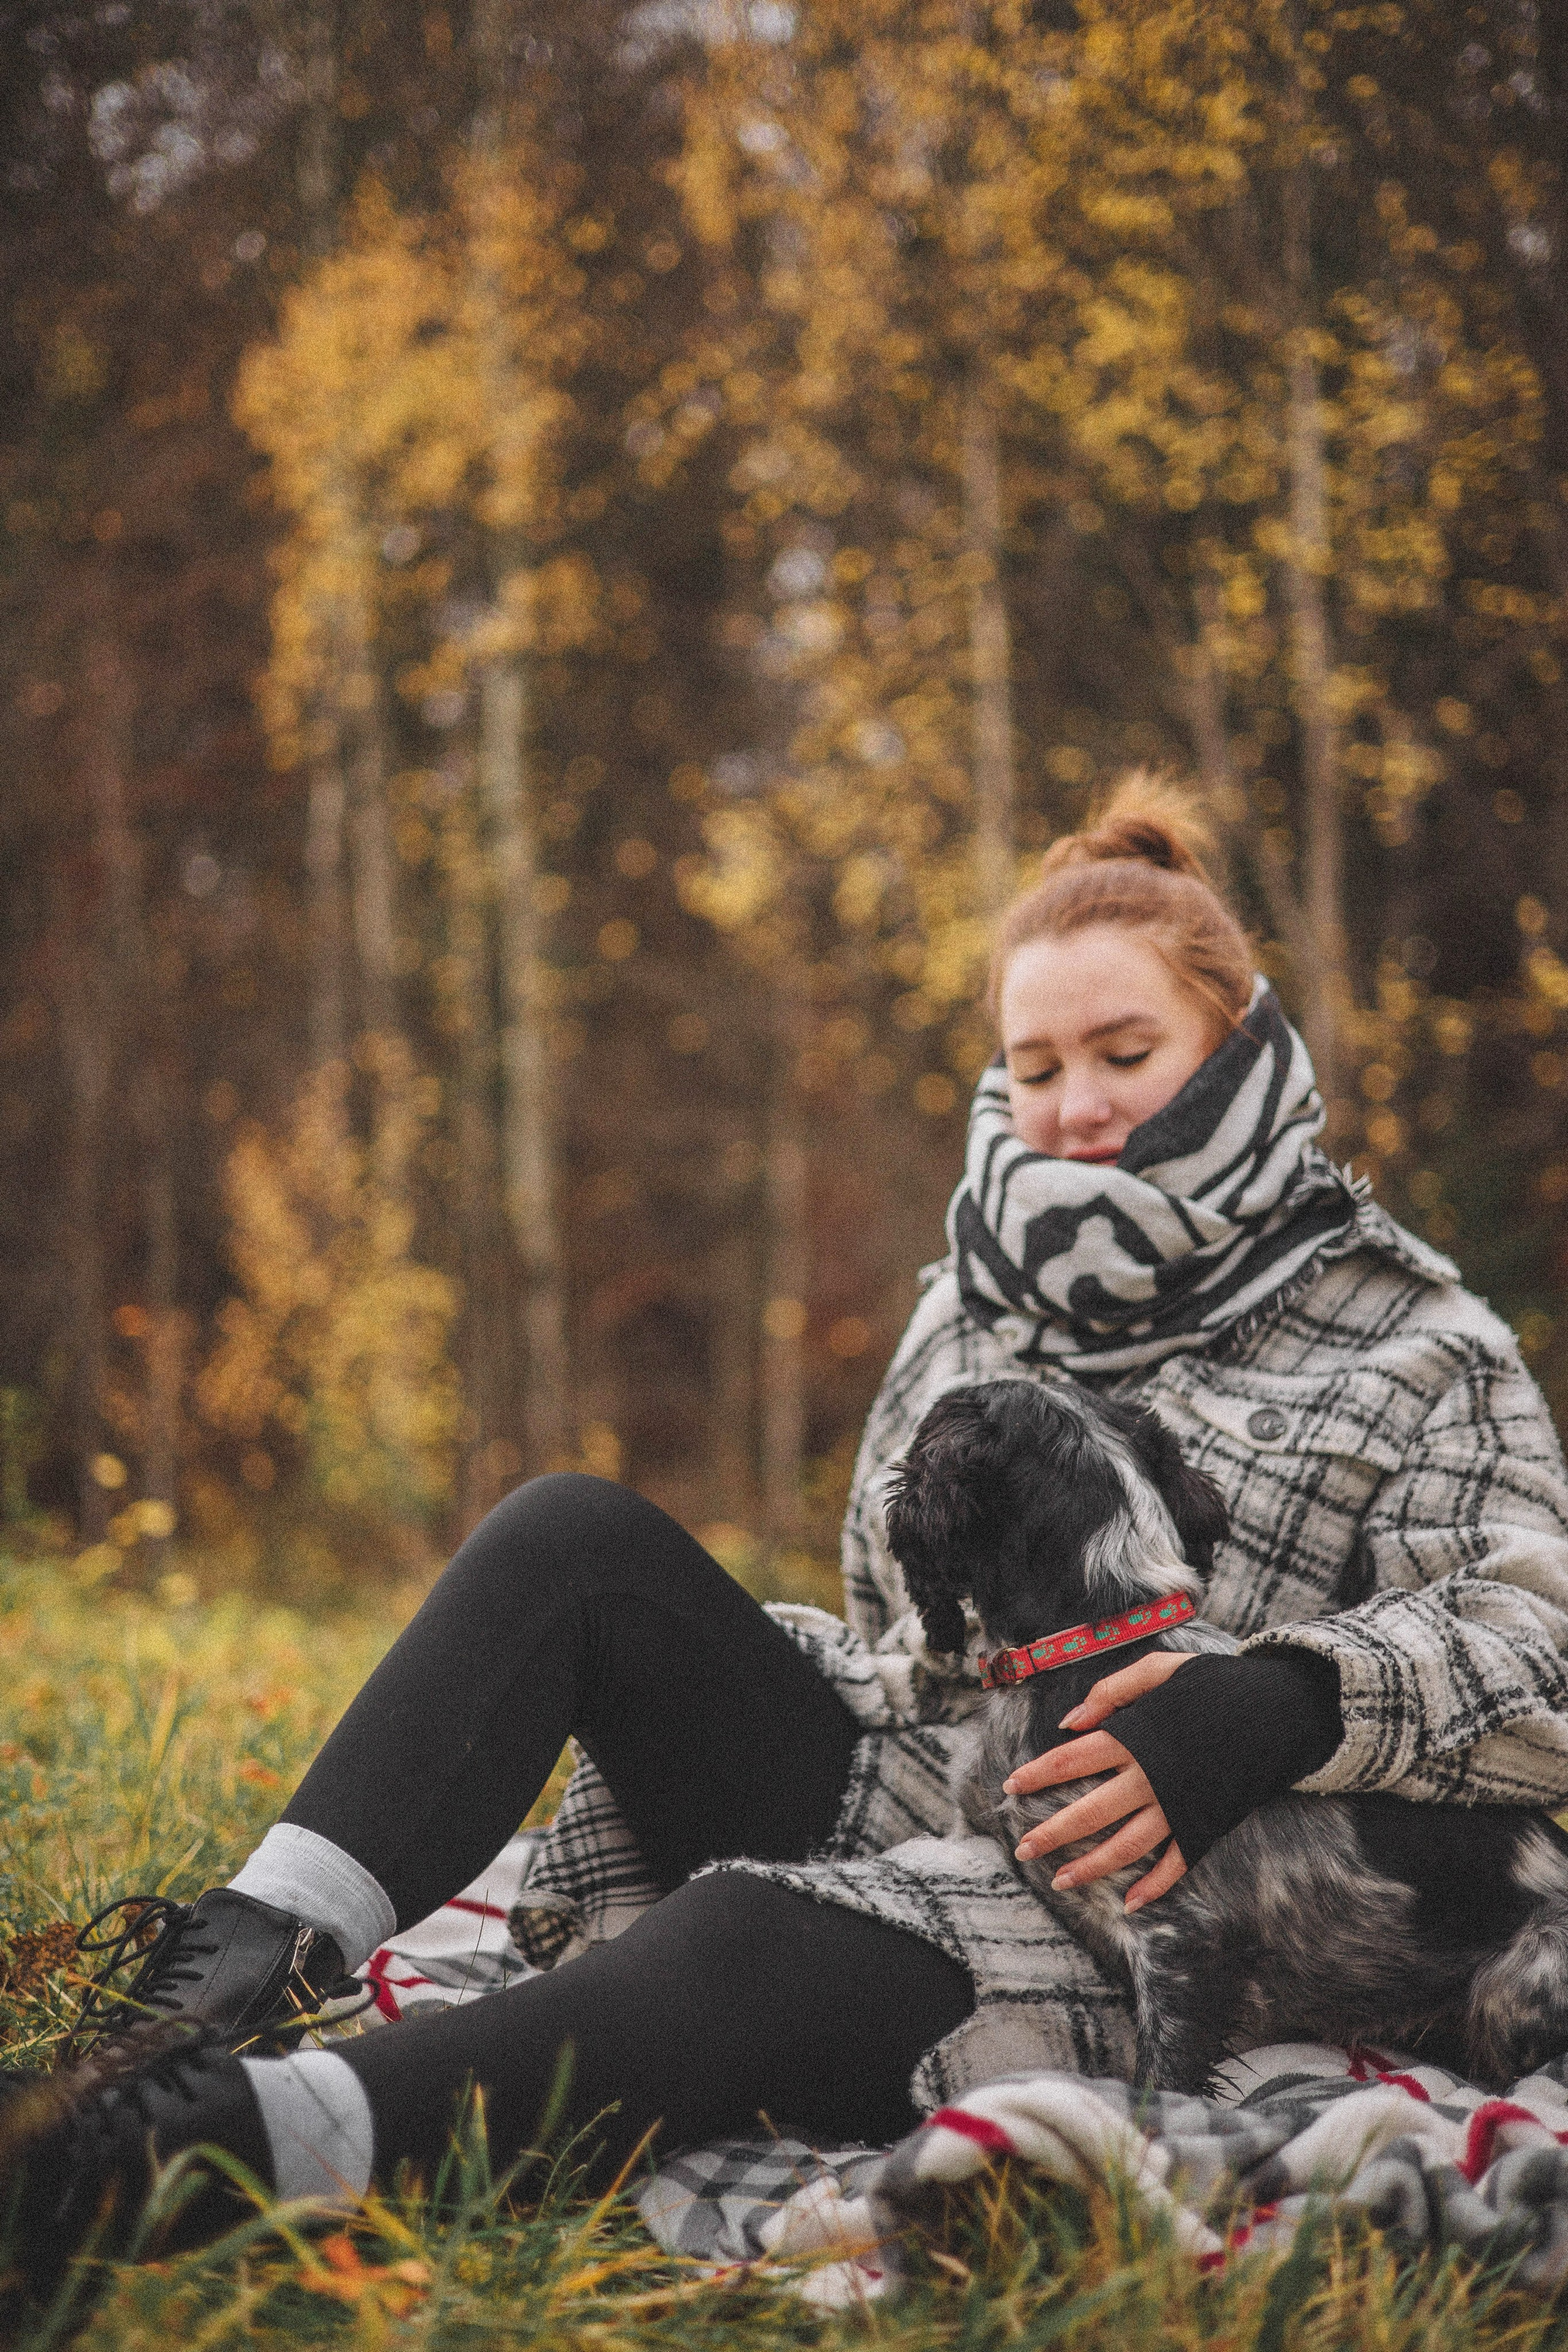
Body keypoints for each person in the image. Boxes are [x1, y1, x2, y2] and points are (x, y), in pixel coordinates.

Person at [11, 773, 1568, 2285]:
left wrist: (1275, 1706)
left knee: (749, 1935)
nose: (1073, 1110)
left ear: (1240, 1051)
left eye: (1124, 1050)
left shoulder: (1414, 1337)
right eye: (1033, 1067)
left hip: (1182, 1924)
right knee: (569, 1537)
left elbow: (1534, 1641)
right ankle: (212, 1986)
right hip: (948, 1786)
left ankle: (196, 2156)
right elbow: (910, 1640)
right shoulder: (969, 1305)